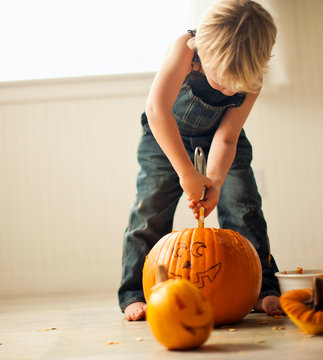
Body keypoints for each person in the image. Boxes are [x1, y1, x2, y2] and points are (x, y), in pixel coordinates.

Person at [118, 0, 283, 321]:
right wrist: (186, 173)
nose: (223, 86)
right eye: (218, 77)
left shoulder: (254, 80)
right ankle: (135, 292)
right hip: (164, 137)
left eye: (232, 83)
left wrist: (216, 183)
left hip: (220, 139)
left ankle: (262, 289)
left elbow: (227, 136)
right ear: (201, 50)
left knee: (244, 209)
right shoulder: (185, 48)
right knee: (149, 211)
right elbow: (157, 111)